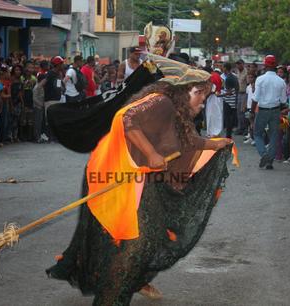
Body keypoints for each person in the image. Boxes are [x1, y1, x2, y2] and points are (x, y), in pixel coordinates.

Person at [46, 55, 234, 305]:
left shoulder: (176, 112)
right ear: (190, 90)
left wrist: (216, 144)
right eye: (202, 95)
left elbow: (189, 141)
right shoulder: (161, 102)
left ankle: (130, 283)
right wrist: (151, 153)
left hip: (144, 182)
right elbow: (127, 119)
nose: (203, 102)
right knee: (135, 247)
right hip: (123, 179)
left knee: (150, 240)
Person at [252, 55, 287, 170]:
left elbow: (255, 98)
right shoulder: (281, 81)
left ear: (265, 65)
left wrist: (252, 112)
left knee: (257, 134)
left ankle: (264, 155)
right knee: (274, 135)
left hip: (262, 110)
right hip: (275, 110)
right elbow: (283, 101)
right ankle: (270, 161)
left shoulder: (260, 79)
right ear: (275, 66)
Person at [205, 68, 223, 138]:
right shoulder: (218, 77)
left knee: (211, 115)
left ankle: (212, 132)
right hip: (217, 98)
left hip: (212, 98)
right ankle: (216, 131)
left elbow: (211, 90)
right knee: (217, 115)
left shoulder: (212, 76)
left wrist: (205, 97)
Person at [222, 62, 239, 138]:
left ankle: (228, 135)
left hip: (228, 101)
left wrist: (219, 95)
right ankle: (229, 134)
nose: (222, 69)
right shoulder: (234, 77)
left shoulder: (228, 78)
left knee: (228, 118)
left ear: (226, 68)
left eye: (223, 67)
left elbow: (228, 93)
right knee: (231, 118)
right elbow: (237, 89)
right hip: (234, 100)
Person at [234, 59, 248, 135]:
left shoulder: (246, 72)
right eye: (237, 64)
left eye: (239, 64)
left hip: (245, 93)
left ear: (243, 64)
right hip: (238, 93)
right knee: (238, 112)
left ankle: (245, 129)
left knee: (243, 111)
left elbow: (248, 84)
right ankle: (240, 128)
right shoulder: (237, 71)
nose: (238, 65)